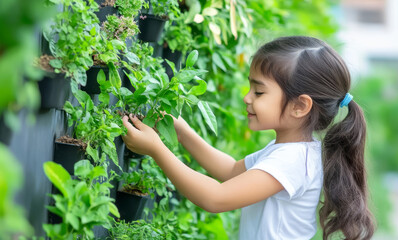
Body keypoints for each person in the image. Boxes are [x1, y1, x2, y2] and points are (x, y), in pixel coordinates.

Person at [121, 36, 375, 240]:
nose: (247, 97)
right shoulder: (289, 150)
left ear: (300, 106)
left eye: (259, 91)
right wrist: (182, 131)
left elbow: (216, 198)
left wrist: (156, 149)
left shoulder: (292, 160)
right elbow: (231, 170)